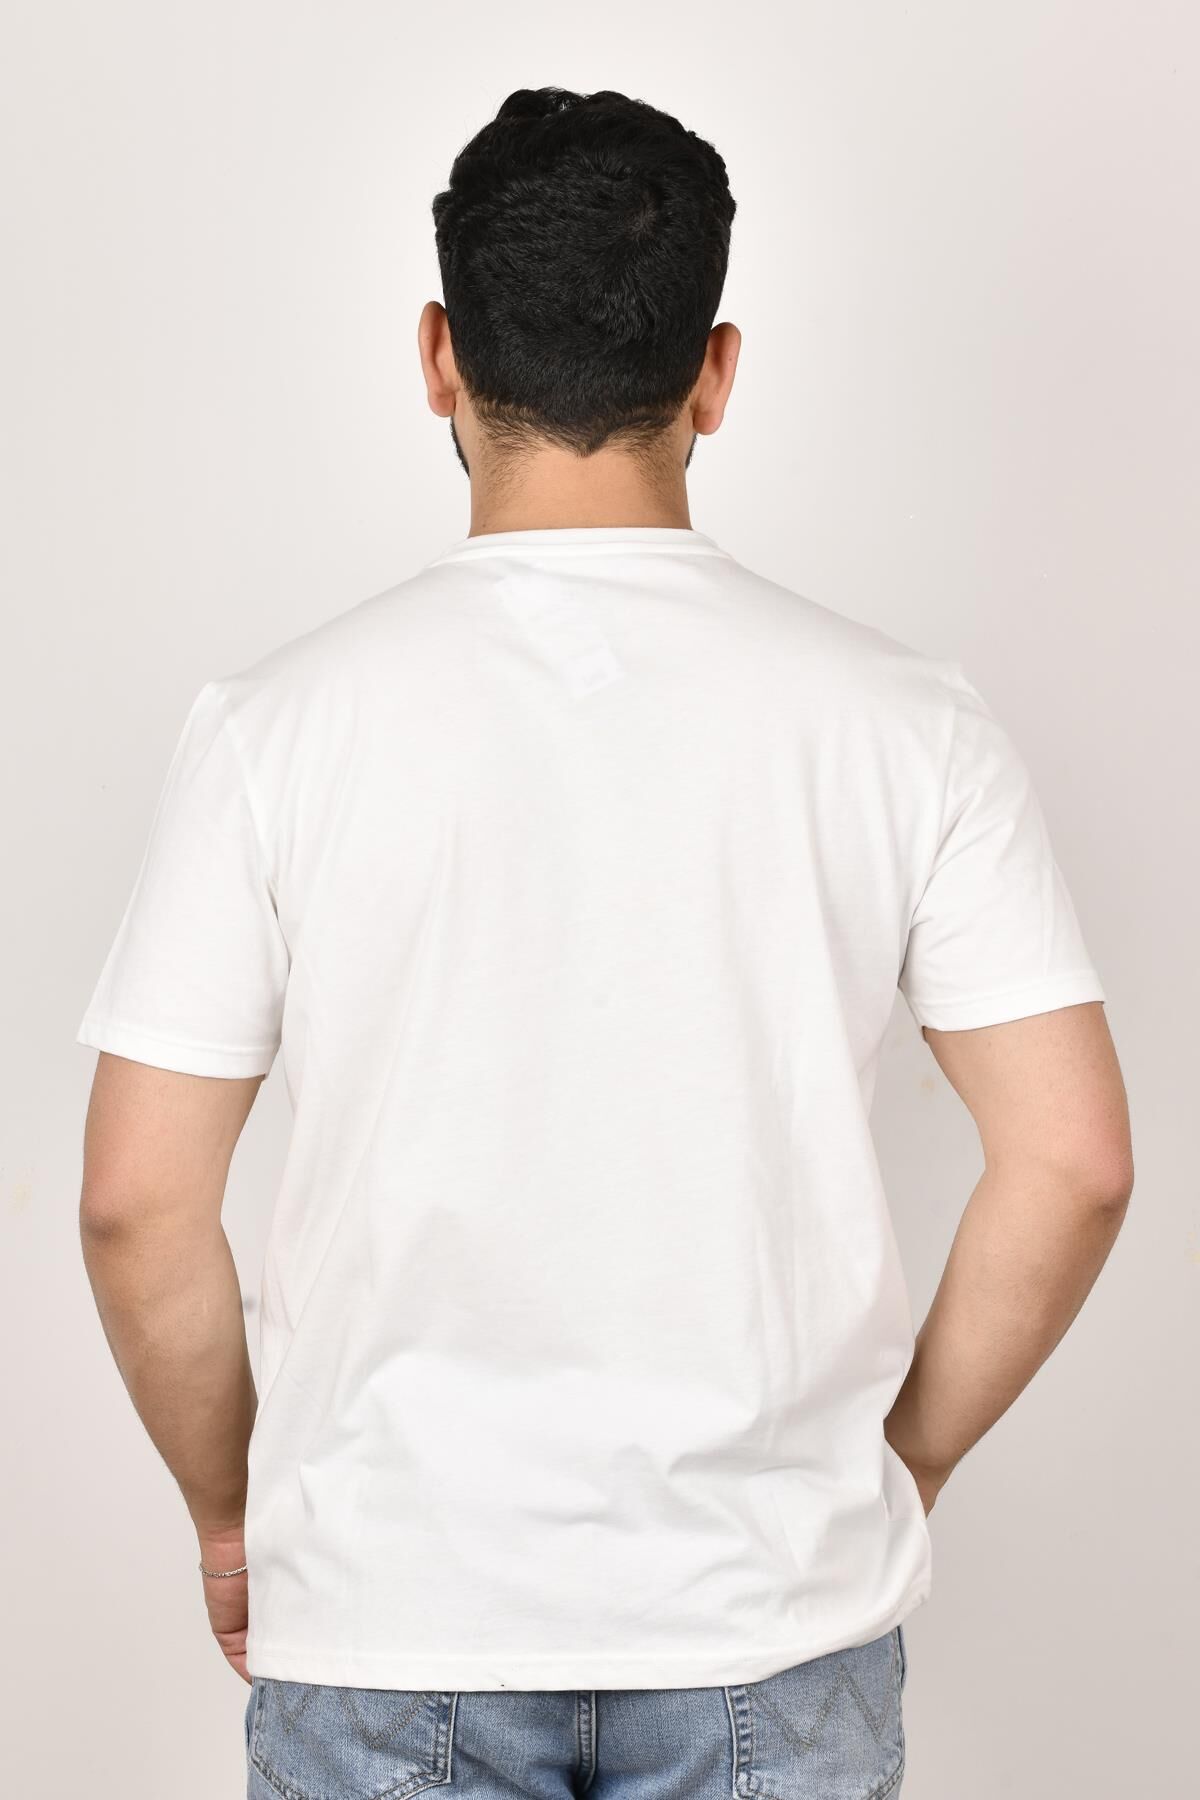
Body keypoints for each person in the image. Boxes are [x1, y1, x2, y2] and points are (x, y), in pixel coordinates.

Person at [76, 87, 1133, 1799]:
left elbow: (134, 1202)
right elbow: (1074, 1162)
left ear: (439, 356)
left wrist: (231, 1514)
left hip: (391, 1626)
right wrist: (904, 1467)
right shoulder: (905, 726)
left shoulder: (276, 730)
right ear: (715, 373)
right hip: (770, 1627)